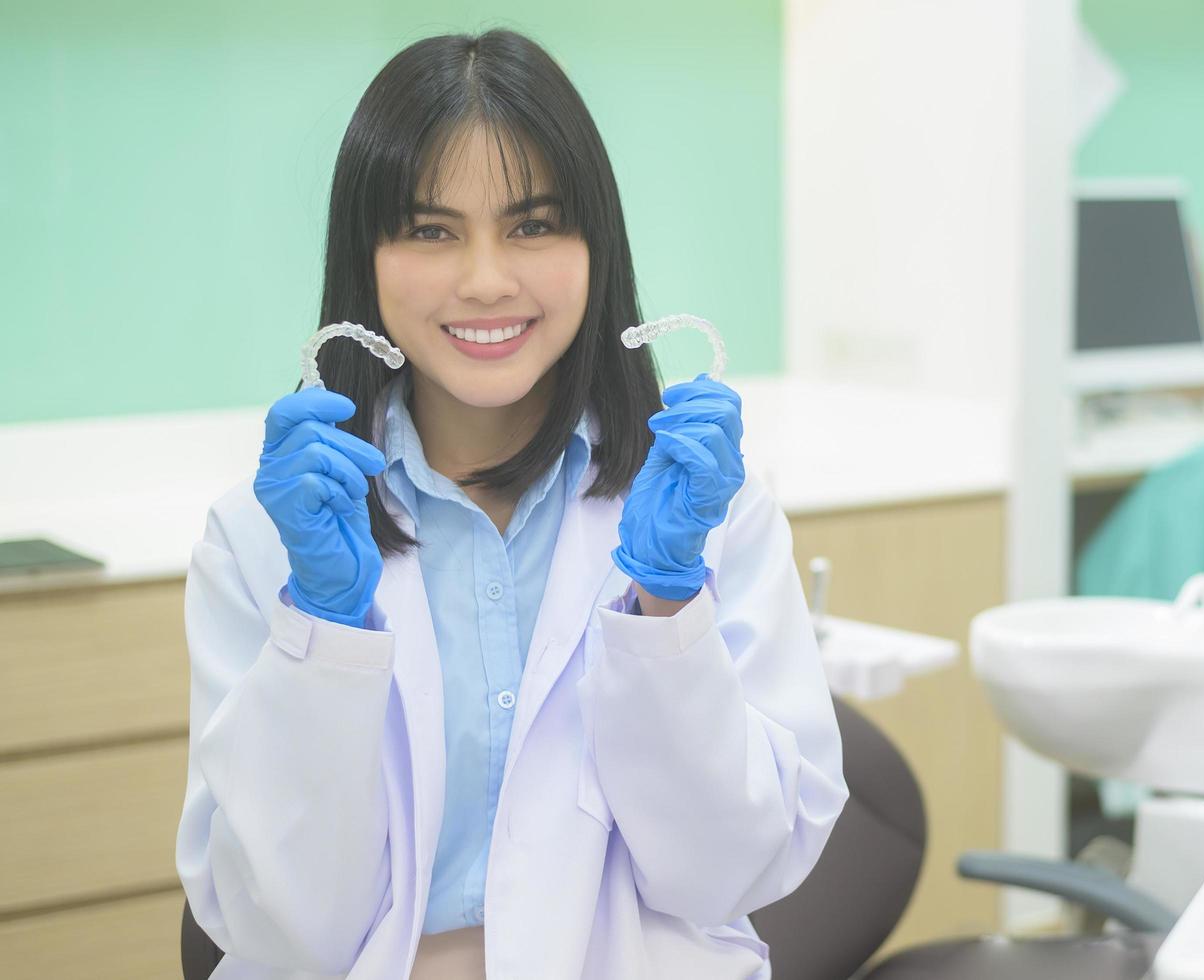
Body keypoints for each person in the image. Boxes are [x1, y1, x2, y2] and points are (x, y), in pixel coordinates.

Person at [175, 28, 846, 979]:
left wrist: (665, 609)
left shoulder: (706, 515)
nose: (486, 279)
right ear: (364, 257)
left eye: (532, 225)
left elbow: (728, 874)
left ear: (595, 245)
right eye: (430, 229)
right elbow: (280, 929)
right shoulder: (261, 537)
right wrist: (321, 638)